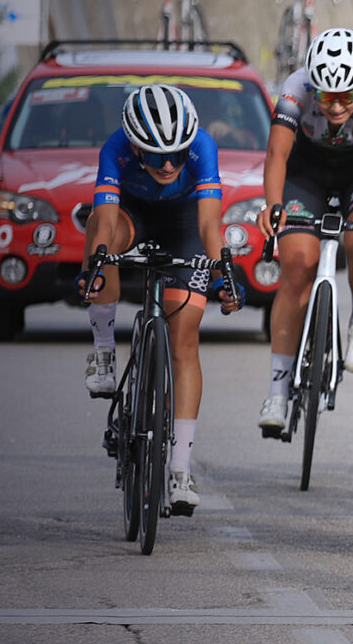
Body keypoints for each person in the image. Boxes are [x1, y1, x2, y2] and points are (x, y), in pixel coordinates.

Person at [79, 84, 242, 515]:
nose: (169, 164)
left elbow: (210, 227)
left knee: (185, 336)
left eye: (178, 154)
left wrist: (223, 273)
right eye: (155, 156)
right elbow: (106, 220)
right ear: (134, 146)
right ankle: (103, 351)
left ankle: (180, 470)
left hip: (185, 221)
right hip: (132, 214)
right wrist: (97, 262)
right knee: (100, 235)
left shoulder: (203, 148)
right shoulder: (114, 150)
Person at [255, 28, 353, 434]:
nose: (335, 107)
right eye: (326, 97)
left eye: (346, 97)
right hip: (307, 171)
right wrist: (274, 204)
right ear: (312, 86)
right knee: (298, 263)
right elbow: (277, 152)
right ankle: (278, 391)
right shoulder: (296, 87)